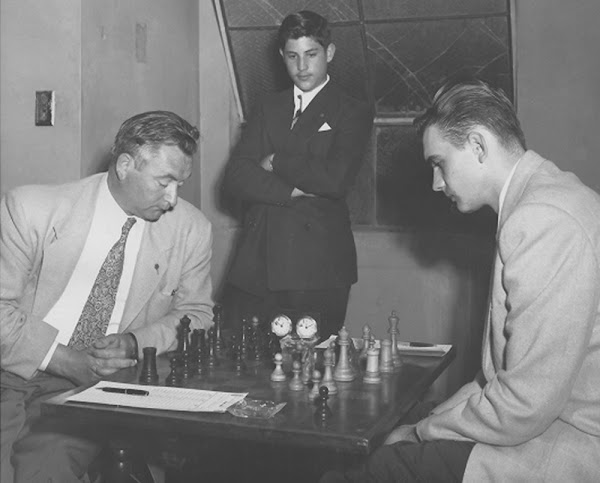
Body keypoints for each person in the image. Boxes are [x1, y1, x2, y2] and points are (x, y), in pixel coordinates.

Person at [322, 80, 600, 482]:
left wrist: (419, 434)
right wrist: (426, 425)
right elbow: (494, 379)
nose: (437, 183)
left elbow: (524, 405)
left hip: (572, 444)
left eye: (440, 163)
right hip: (547, 424)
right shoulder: (547, 197)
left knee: (370, 470)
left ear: (478, 145)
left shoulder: (543, 219)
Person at [0, 110, 214, 482]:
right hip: (13, 367)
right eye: (164, 181)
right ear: (125, 165)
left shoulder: (190, 230)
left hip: (98, 386)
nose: (174, 198)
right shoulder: (31, 209)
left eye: (181, 183)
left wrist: (135, 343)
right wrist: (66, 360)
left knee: (44, 469)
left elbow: (197, 314)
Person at [222, 10, 374, 337]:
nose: (302, 66)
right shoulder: (267, 106)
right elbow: (235, 176)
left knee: (310, 373)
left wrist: (276, 160)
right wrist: (292, 192)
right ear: (282, 57)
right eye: (292, 56)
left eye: (311, 54)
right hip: (256, 263)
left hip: (317, 266)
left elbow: (335, 179)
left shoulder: (353, 110)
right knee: (240, 368)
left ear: (329, 53)